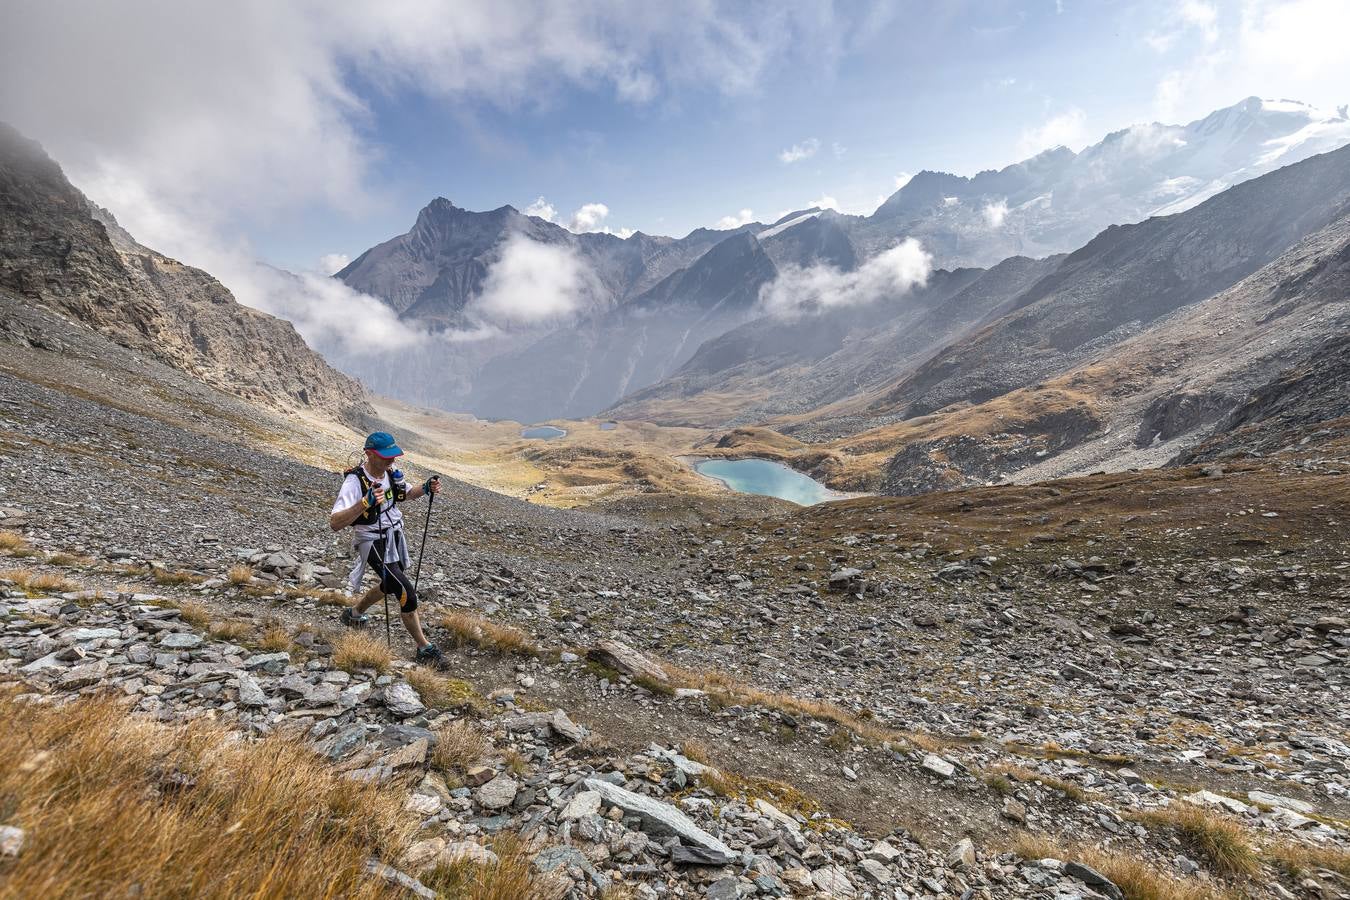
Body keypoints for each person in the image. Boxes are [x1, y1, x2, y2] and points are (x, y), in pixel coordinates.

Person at [330, 431, 446, 668]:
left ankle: (354, 614)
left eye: (393, 456)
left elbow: (405, 494)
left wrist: (425, 488)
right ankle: (424, 648)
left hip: (394, 538)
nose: (391, 461)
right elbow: (335, 522)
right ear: (369, 454)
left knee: (389, 584)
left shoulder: (391, 474)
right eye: (386, 457)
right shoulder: (354, 481)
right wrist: (366, 502)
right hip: (372, 541)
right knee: (405, 591)